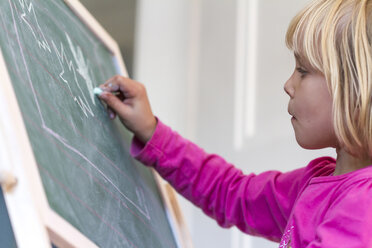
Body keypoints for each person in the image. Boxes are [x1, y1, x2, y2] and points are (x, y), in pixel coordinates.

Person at [98, 0, 372, 247]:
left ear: (355, 91)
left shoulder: (363, 208)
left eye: (303, 71)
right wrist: (152, 132)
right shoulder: (314, 183)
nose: (288, 85)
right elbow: (232, 194)